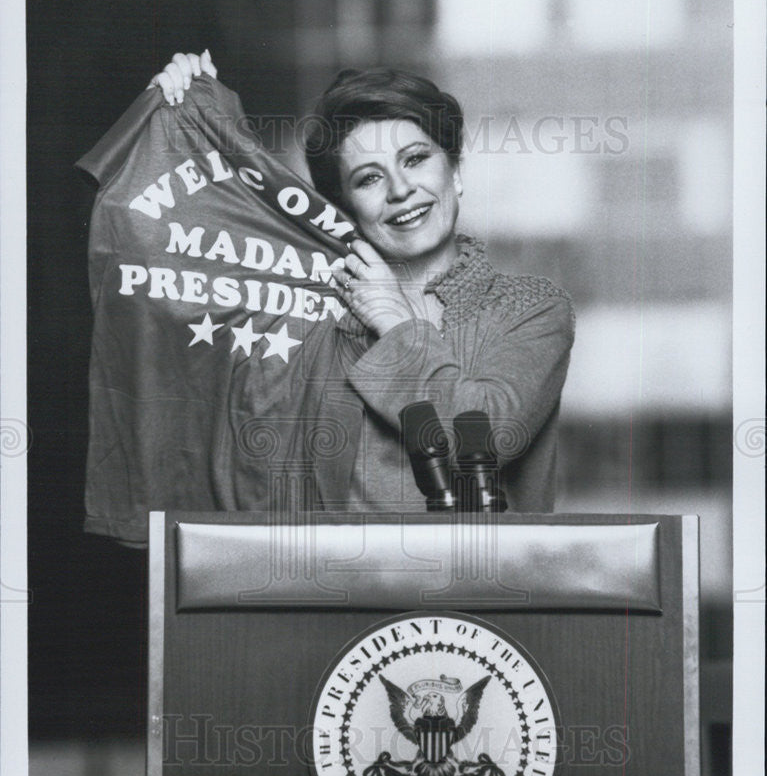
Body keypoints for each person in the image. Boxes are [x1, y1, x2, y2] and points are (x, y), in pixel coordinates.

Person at [149, 52, 575, 513]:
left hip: (479, 580)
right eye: (369, 178)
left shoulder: (529, 307)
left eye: (415, 159)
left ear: (454, 171)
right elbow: (184, 279)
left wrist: (395, 324)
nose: (400, 189)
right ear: (344, 208)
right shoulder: (310, 313)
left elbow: (489, 436)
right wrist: (192, 115)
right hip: (333, 581)